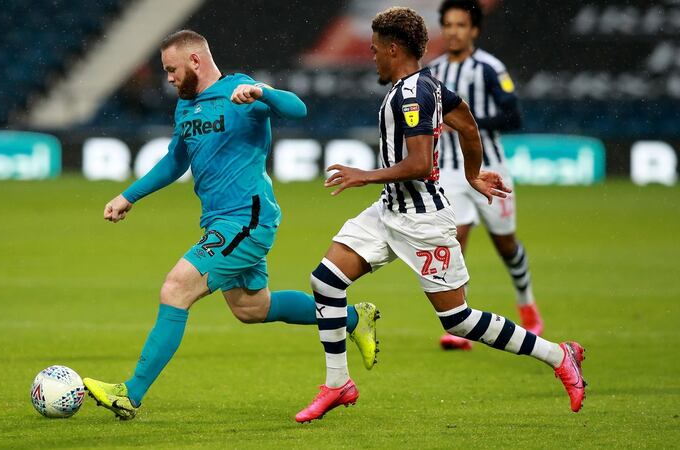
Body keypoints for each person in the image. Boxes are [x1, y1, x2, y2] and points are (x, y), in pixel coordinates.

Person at [294, 7, 586, 423]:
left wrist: (365, 175)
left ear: (394, 49)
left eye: (376, 50)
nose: (372, 56)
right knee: (325, 280)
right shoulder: (428, 83)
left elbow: (417, 163)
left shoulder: (412, 93)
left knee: (459, 321)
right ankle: (338, 383)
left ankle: (559, 354)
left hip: (422, 221)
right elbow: (467, 126)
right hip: (389, 211)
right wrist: (472, 174)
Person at [81, 30, 380, 421]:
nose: (168, 78)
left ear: (195, 62)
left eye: (172, 69)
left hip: (247, 219)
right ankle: (355, 317)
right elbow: (176, 160)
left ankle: (130, 393)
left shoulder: (240, 90)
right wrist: (129, 196)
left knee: (175, 289)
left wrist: (263, 93)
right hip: (220, 221)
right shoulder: (186, 107)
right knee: (253, 308)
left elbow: (298, 109)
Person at [429, 0, 542, 351]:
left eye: (460, 25)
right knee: (455, 240)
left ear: (474, 29)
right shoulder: (431, 71)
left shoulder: (490, 68)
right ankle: (459, 322)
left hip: (490, 168)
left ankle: (527, 303)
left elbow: (513, 117)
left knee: (505, 244)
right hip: (448, 171)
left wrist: (465, 123)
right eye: (448, 25)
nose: (453, 31)